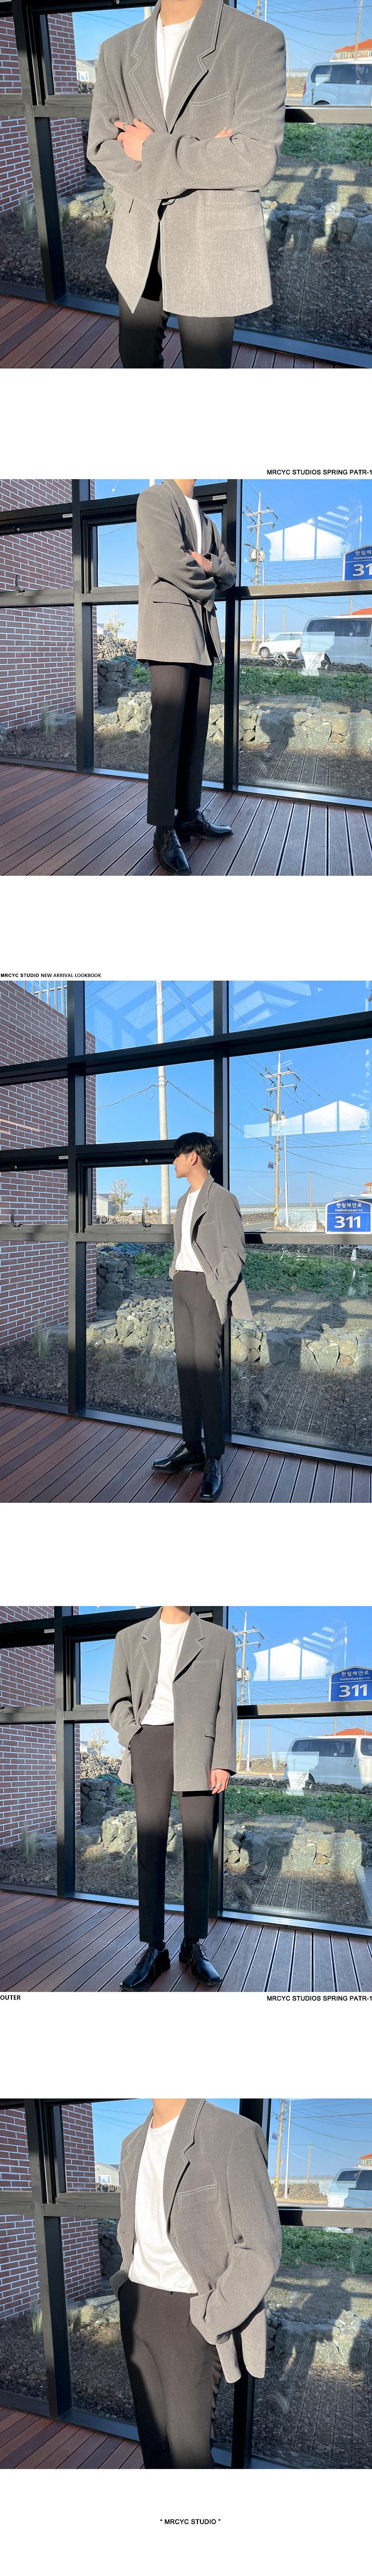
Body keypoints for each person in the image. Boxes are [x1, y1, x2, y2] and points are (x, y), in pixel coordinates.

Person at [87, 0, 286, 370]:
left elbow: (256, 159)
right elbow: (101, 148)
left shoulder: (255, 39)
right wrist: (208, 154)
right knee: (135, 358)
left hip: (210, 238)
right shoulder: (116, 50)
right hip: (138, 236)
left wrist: (149, 148)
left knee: (207, 366)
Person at [112, 2096, 282, 2467]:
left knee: (189, 2455)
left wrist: (213, 2314)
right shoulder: (131, 2144)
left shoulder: (232, 2134)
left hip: (190, 2314)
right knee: (153, 2443)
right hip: (136, 2303)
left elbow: (261, 2246)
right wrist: (124, 2285)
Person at [109, 1606, 237, 1989]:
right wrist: (135, 1736)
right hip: (149, 1743)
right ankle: (154, 1949)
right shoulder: (129, 1638)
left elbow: (226, 1705)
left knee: (198, 1848)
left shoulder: (220, 1640)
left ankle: (193, 1945)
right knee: (150, 1849)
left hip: (200, 1749)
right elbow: (118, 1702)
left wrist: (223, 1760)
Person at [136, 477, 235, 875]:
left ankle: (188, 816)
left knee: (195, 733)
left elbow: (230, 572)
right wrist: (212, 579)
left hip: (203, 637)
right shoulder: (154, 499)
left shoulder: (207, 522)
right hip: (168, 632)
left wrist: (208, 563)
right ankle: (164, 830)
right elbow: (170, 563)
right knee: (168, 736)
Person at [152, 1131, 252, 1500]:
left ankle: (214, 1458)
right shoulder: (183, 1201)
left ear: (193, 1157)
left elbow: (235, 1252)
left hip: (207, 1290)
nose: (174, 1161)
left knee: (208, 1374)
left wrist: (216, 1288)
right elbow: (182, 1247)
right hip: (182, 1287)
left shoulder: (222, 1199)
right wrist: (175, 1274)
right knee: (187, 1370)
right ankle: (192, 1448)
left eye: (178, 1155)